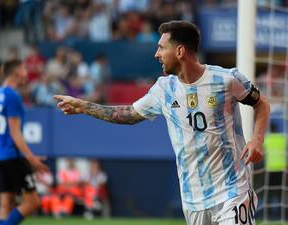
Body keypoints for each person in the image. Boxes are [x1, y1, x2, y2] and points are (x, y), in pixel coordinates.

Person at [54, 21, 270, 225]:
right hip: (193, 198)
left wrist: (257, 140)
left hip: (232, 191)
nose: (156, 54)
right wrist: (84, 107)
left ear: (180, 51)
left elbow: (261, 104)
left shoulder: (226, 79)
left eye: (161, 48)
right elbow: (127, 114)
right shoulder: (163, 90)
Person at [0, 59, 49, 225]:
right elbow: (15, 133)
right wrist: (32, 159)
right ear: (16, 72)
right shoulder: (12, 96)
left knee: (5, 204)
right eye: (23, 69)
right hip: (12, 156)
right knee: (32, 202)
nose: (26, 73)